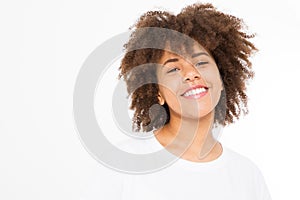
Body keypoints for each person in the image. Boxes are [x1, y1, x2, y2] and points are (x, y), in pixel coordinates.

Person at [81, 3, 272, 200]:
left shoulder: (247, 175)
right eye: (173, 69)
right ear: (157, 93)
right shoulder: (122, 165)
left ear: (221, 79)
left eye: (201, 62)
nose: (191, 74)